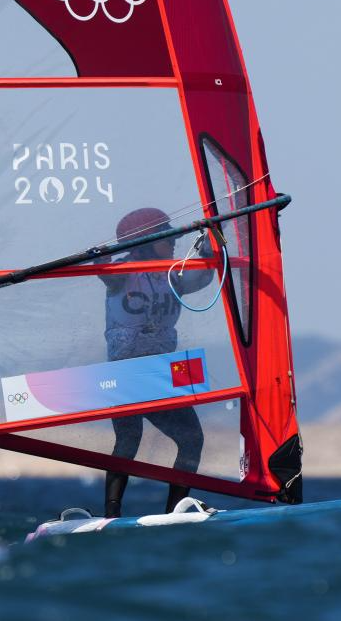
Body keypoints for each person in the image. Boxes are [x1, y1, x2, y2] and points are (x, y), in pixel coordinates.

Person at [99, 207, 215, 518]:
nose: (174, 242)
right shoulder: (122, 272)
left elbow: (203, 275)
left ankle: (174, 513)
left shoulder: (172, 274)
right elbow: (107, 275)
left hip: (161, 370)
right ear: (146, 242)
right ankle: (111, 515)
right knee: (129, 438)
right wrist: (99, 257)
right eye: (166, 237)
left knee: (191, 439)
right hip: (126, 370)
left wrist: (210, 242)